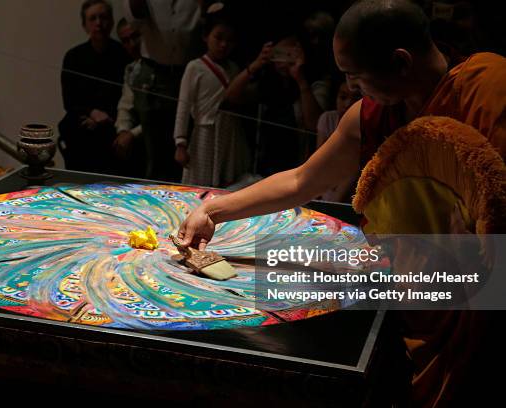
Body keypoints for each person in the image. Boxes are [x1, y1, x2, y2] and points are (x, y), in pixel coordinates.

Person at [177, 0, 505, 406]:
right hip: (418, 293)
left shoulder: (490, 87)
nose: (352, 88)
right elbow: (301, 180)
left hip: (486, 291)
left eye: (356, 76)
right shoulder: (369, 115)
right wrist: (212, 210)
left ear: (401, 62)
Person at [225, 35, 330, 176]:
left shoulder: (315, 85)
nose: (284, 61)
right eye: (279, 55)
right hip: (263, 167)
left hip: (298, 167)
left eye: (290, 55)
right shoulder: (268, 83)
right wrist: (255, 65)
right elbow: (231, 97)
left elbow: (314, 124)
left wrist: (300, 79)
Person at [123, 0, 203, 182]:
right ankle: (153, 203)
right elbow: (134, 21)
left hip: (189, 71)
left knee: (187, 153)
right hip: (154, 75)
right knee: (155, 152)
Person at [173, 12, 250, 188]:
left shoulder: (233, 68)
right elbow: (183, 106)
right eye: (218, 38)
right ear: (205, 37)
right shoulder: (195, 67)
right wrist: (180, 143)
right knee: (199, 185)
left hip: (229, 132)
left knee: (227, 185)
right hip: (205, 133)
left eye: (229, 40)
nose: (224, 44)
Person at [58, 0, 130, 174]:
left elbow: (126, 96)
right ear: (85, 25)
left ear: (111, 22)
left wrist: (106, 117)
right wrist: (92, 113)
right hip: (84, 118)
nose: (98, 23)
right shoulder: (73, 56)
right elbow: (69, 100)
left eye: (103, 17)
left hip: (114, 119)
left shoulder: (122, 54)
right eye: (93, 18)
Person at [315, 78, 361, 202]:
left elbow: (354, 168)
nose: (347, 104)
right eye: (343, 97)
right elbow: (319, 160)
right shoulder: (328, 118)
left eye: (355, 99)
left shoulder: (363, 126)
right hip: (327, 179)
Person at [113, 18, 145, 178]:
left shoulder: (162, 69)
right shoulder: (130, 69)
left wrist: (132, 134)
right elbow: (125, 105)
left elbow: (161, 118)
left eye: (135, 37)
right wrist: (123, 131)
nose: (132, 44)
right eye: (126, 41)